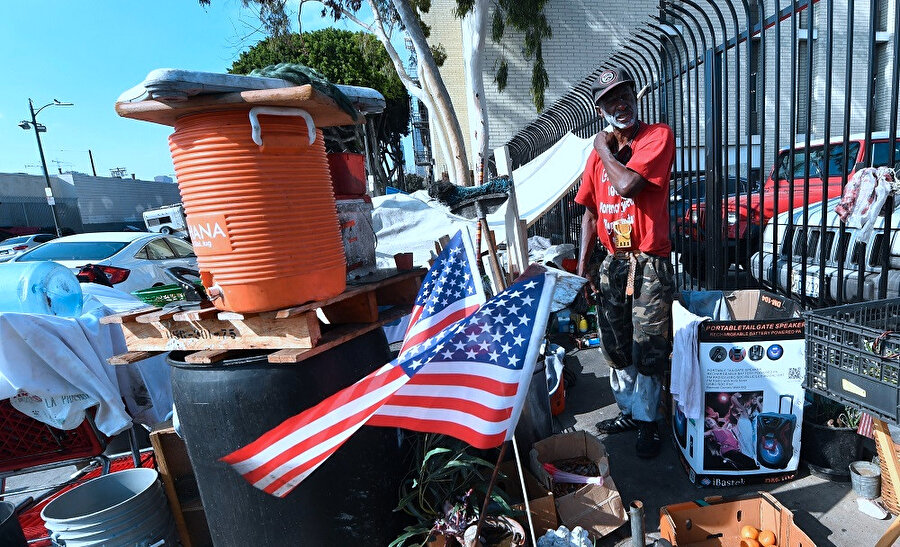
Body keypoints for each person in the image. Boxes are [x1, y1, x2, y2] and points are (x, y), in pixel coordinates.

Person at [575, 67, 676, 459]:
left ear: (635, 97)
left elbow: (628, 185)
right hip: (614, 261)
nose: (622, 104)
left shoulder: (656, 137)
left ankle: (649, 421)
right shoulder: (596, 158)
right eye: (611, 99)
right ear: (601, 109)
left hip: (649, 261)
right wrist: (582, 269)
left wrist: (601, 148)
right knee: (615, 343)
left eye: (625, 95)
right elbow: (588, 211)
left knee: (648, 346)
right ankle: (630, 412)